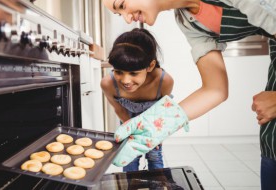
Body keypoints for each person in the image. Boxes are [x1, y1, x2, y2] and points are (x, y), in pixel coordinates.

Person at [102, 0, 276, 189]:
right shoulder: (188, 21)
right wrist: (159, 123)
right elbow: (215, 89)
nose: (127, 19)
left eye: (122, 4)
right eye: (119, 14)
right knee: (271, 145)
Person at [100, 28, 174, 171]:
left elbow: (162, 111)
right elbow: (119, 109)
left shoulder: (164, 81)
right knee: (128, 158)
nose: (126, 80)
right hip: (128, 121)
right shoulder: (108, 83)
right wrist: (131, 132)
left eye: (134, 73)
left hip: (154, 124)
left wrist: (156, 134)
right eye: (119, 71)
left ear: (150, 66)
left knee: (154, 156)